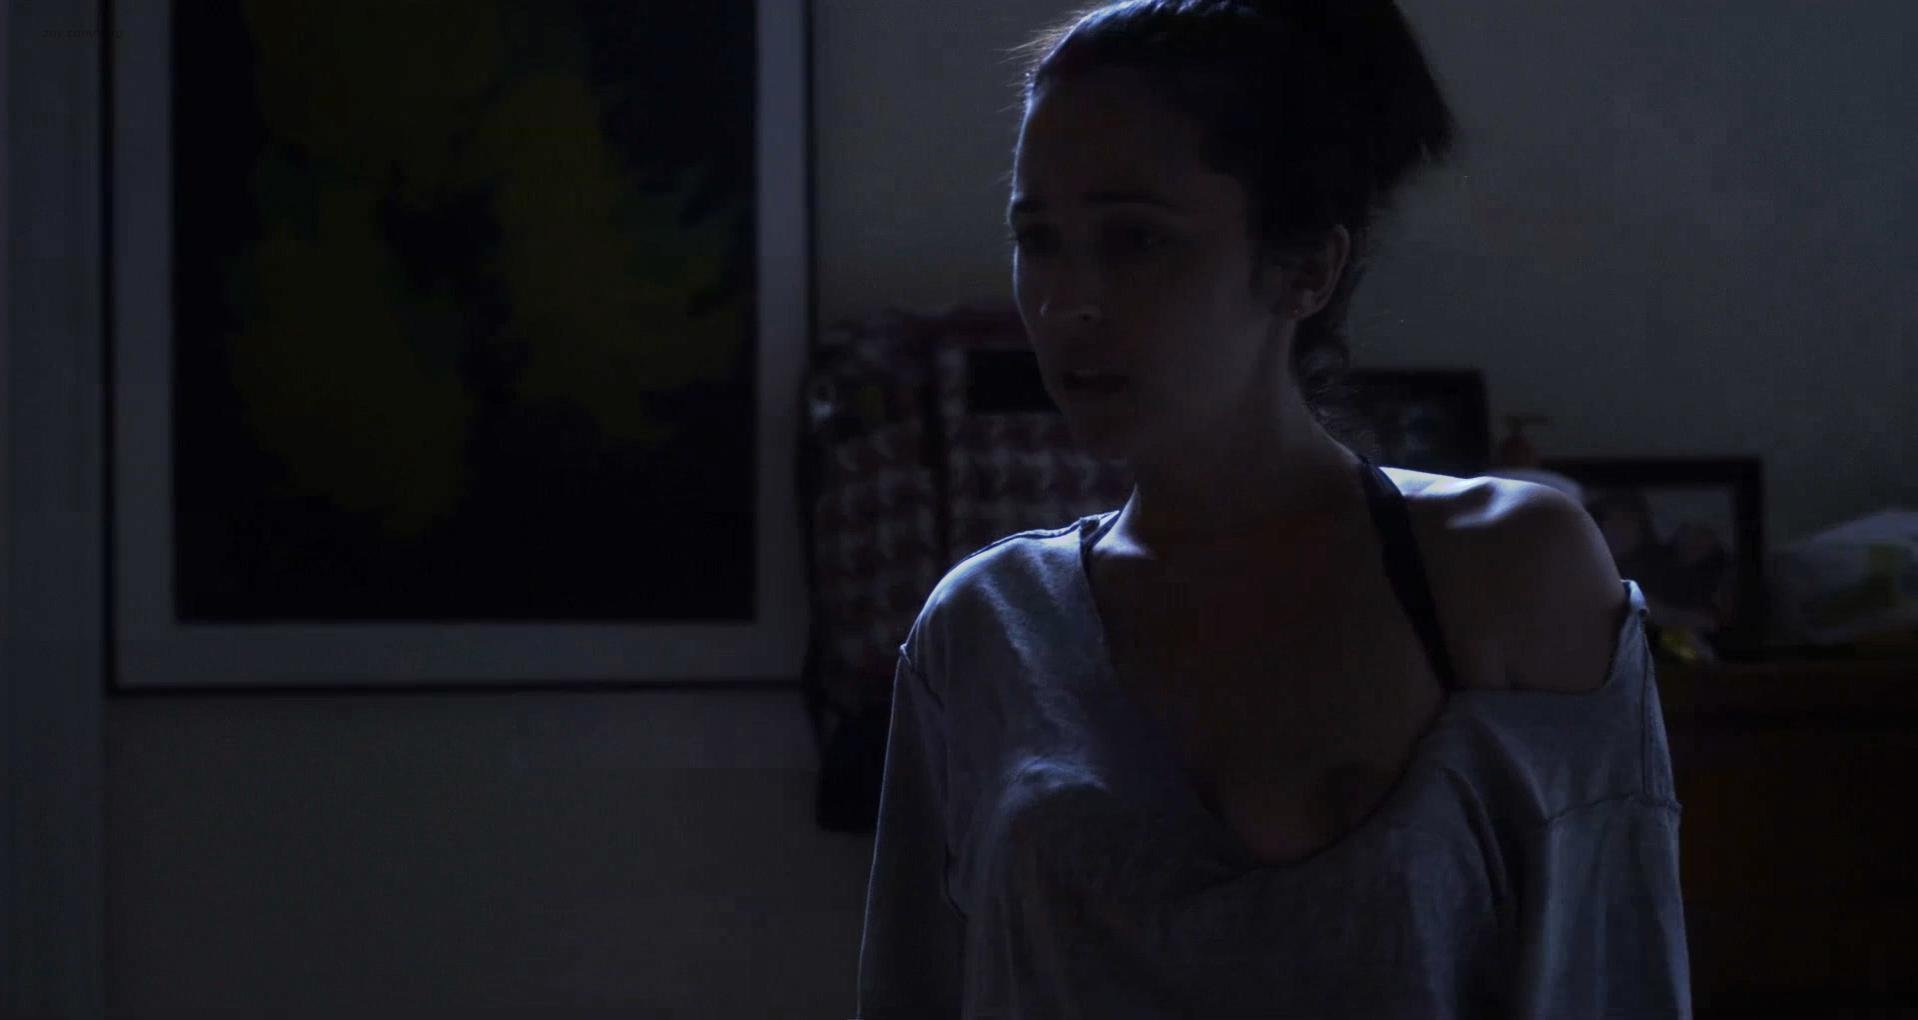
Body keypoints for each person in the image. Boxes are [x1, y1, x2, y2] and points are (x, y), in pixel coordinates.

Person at [855, 1, 1691, 1016]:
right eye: (1039, 239)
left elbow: (1611, 978)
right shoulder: (985, 633)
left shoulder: (1504, 573)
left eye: (1135, 239)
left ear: (1305, 268)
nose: (1068, 301)